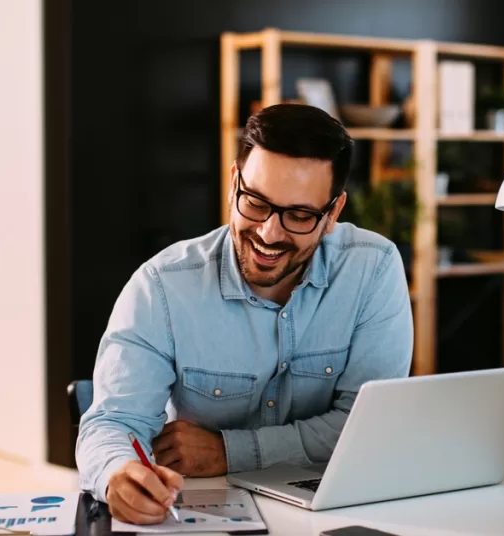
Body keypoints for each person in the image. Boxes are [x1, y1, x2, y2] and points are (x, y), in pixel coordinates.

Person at [76, 103, 414, 525]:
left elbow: (363, 427)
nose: (270, 233)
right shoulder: (162, 286)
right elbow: (111, 423)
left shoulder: (373, 269)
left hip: (332, 516)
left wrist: (227, 451)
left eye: (300, 215)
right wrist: (116, 473)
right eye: (255, 202)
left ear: (333, 213)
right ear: (234, 182)